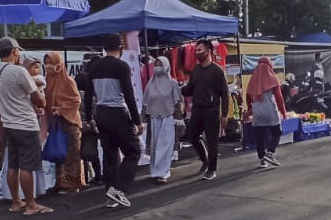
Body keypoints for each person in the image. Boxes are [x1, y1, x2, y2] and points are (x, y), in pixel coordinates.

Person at [0, 36, 53, 216]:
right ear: (15, 51)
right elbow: (39, 99)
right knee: (27, 166)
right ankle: (31, 204)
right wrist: (41, 99)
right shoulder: (18, 72)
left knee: (13, 165)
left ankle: (17, 202)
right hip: (25, 124)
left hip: (9, 125)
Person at [84, 33, 143, 208]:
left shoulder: (93, 67)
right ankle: (119, 189)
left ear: (103, 48)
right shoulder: (122, 67)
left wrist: (89, 117)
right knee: (133, 151)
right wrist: (137, 121)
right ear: (121, 47)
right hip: (118, 112)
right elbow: (129, 95)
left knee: (110, 154)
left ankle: (110, 195)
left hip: (100, 113)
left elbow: (87, 96)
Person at [182, 40, 229, 180]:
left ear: (208, 51)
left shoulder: (217, 71)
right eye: (196, 50)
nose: (197, 53)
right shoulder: (196, 70)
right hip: (197, 109)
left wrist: (224, 114)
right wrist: (175, 89)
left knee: (212, 140)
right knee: (192, 136)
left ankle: (212, 169)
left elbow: (225, 94)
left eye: (200, 50)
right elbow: (190, 89)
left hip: (211, 110)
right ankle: (205, 159)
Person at [43, 52, 85, 194]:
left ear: (59, 64)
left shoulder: (68, 81)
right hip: (57, 124)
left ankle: (73, 184)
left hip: (70, 122)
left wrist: (61, 109)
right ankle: (60, 183)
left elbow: (76, 100)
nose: (48, 66)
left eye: (51, 63)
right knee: (59, 153)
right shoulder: (48, 80)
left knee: (72, 154)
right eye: (46, 62)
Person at [143, 56, 182, 184]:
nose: (157, 66)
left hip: (168, 117)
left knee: (165, 145)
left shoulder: (172, 83)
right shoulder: (151, 83)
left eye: (160, 64)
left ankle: (163, 172)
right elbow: (146, 102)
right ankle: (155, 170)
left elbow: (177, 102)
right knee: (155, 146)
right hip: (154, 118)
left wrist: (178, 118)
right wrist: (142, 118)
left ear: (166, 65)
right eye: (156, 64)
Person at [245, 56, 288, 169]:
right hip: (270, 111)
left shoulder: (253, 78)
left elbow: (248, 96)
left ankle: (262, 161)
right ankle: (270, 152)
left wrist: (250, 109)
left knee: (260, 137)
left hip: (257, 112)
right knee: (277, 132)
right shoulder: (273, 78)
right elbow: (279, 98)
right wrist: (283, 112)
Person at [75, 55, 102, 185]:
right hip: (91, 127)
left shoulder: (74, 97)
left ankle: (84, 178)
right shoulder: (91, 97)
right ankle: (98, 176)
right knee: (93, 152)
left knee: (82, 154)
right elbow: (94, 112)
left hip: (79, 126)